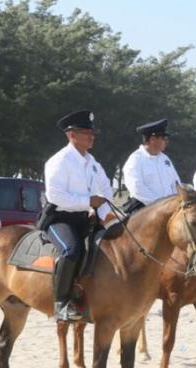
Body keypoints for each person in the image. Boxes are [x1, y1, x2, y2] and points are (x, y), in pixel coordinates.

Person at [42, 110, 113, 321]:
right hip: (60, 218)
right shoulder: (59, 161)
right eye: (86, 133)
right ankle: (61, 304)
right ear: (71, 135)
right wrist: (88, 201)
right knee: (71, 249)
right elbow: (55, 195)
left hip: (85, 217)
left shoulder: (92, 162)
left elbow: (106, 189)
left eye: (92, 133)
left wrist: (103, 213)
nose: (91, 137)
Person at [122, 119, 180, 214]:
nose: (166, 142)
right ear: (152, 139)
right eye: (163, 139)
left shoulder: (165, 159)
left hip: (169, 209)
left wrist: (175, 202)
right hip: (144, 211)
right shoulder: (135, 160)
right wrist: (161, 204)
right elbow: (137, 188)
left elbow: (176, 183)